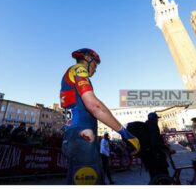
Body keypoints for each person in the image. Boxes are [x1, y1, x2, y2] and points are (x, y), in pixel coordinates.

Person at [60, 48, 140, 185]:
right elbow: (94, 106)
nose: (96, 69)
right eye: (95, 65)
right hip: (83, 137)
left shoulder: (69, 76)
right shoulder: (78, 69)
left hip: (73, 136)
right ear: (86, 58)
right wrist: (125, 133)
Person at [144, 112, 171, 182]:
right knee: (164, 176)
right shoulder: (153, 126)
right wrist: (164, 148)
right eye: (157, 119)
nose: (157, 120)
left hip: (148, 157)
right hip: (156, 157)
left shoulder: (146, 126)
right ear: (154, 119)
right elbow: (155, 141)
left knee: (154, 177)